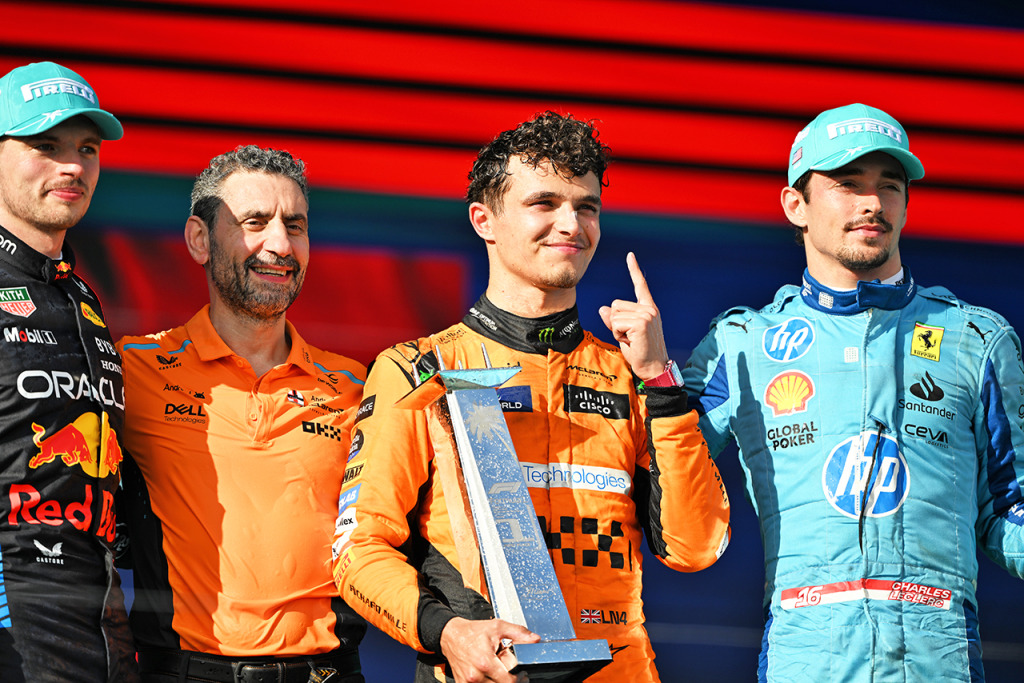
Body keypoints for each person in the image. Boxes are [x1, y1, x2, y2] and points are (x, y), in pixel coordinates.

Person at [332, 112, 731, 683]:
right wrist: (449, 631)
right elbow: (358, 551)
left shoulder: (633, 376)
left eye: (586, 207)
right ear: (484, 220)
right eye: (544, 203)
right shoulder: (418, 369)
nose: (571, 224)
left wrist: (661, 383)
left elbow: (696, 547)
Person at [683, 103, 1024, 682]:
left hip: (937, 659)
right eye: (847, 184)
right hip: (802, 656)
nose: (873, 203)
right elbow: (665, 486)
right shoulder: (741, 343)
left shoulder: (976, 339)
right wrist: (657, 383)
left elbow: (1009, 506)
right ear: (795, 205)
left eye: (889, 186)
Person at [116, 145, 368, 682]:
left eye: (295, 226)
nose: (280, 244)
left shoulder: (356, 385)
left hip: (328, 673)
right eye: (255, 222)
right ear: (200, 240)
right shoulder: (134, 368)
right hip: (184, 672)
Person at [0, 61, 138, 682]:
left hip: (102, 626)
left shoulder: (81, 297)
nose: (72, 166)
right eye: (45, 146)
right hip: (14, 627)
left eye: (86, 149)